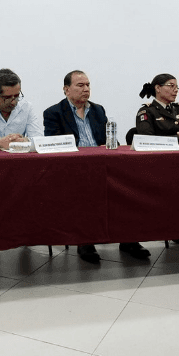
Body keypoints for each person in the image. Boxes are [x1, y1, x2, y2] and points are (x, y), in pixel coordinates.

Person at [44, 70, 149, 263]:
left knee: (127, 188)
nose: (86, 89)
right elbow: (54, 145)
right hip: (73, 169)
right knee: (85, 191)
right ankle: (86, 242)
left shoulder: (98, 110)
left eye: (88, 85)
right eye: (80, 85)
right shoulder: (53, 113)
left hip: (102, 164)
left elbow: (111, 141)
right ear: (66, 89)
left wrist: (113, 147)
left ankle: (128, 239)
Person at [134, 73, 179, 144]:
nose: (176, 90)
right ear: (158, 88)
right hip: (160, 153)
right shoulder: (147, 111)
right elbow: (147, 140)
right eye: (171, 86)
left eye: (177, 87)